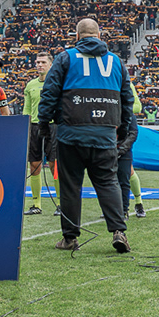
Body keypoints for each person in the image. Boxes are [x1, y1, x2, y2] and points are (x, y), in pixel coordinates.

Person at [37, 17, 135, 253]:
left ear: (77, 36)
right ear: (99, 36)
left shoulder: (65, 57)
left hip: (71, 134)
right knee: (108, 182)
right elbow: (127, 99)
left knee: (71, 186)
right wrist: (122, 130)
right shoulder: (116, 61)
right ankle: (118, 231)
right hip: (105, 134)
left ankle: (70, 238)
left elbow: (49, 93)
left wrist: (44, 124)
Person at [22, 53, 55, 216]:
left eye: (43, 62)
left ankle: (61, 204)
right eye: (37, 62)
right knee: (34, 165)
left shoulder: (57, 83)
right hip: (34, 127)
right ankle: (36, 204)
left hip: (52, 126)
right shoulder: (30, 85)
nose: (39, 65)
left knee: (55, 165)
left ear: (51, 65)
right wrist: (25, 126)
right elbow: (27, 108)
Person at [115, 96, 146, 219]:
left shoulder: (128, 112)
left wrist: (121, 150)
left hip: (123, 150)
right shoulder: (106, 112)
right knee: (107, 180)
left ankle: (133, 206)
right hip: (109, 149)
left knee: (127, 176)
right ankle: (111, 208)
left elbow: (133, 133)